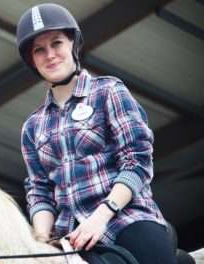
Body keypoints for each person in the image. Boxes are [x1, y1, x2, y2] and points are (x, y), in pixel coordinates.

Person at [17, 3, 179, 264]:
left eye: (56, 43)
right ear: (32, 60)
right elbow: (40, 191)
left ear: (72, 44)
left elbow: (136, 160)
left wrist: (101, 216)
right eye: (39, 50)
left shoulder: (109, 92)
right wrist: (38, 242)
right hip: (69, 236)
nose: (50, 55)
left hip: (125, 219)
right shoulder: (32, 127)